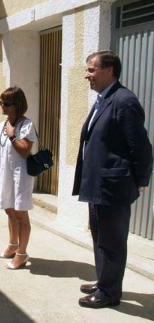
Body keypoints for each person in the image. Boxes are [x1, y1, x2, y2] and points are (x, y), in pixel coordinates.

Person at [73, 50, 153, 308]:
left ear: (110, 71)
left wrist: (140, 181)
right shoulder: (102, 99)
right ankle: (104, 281)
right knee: (100, 238)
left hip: (113, 186)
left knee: (112, 242)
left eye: (91, 70)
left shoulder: (124, 100)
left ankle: (109, 294)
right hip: (99, 185)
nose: (87, 75)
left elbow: (140, 147)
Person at [0, 86, 36, 270]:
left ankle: (22, 253)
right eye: (1, 102)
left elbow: (25, 150)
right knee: (9, 210)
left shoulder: (26, 125)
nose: (2, 106)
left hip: (21, 176)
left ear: (17, 105)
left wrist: (12, 136)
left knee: (21, 214)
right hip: (5, 173)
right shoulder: (1, 125)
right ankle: (12, 244)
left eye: (6, 103)